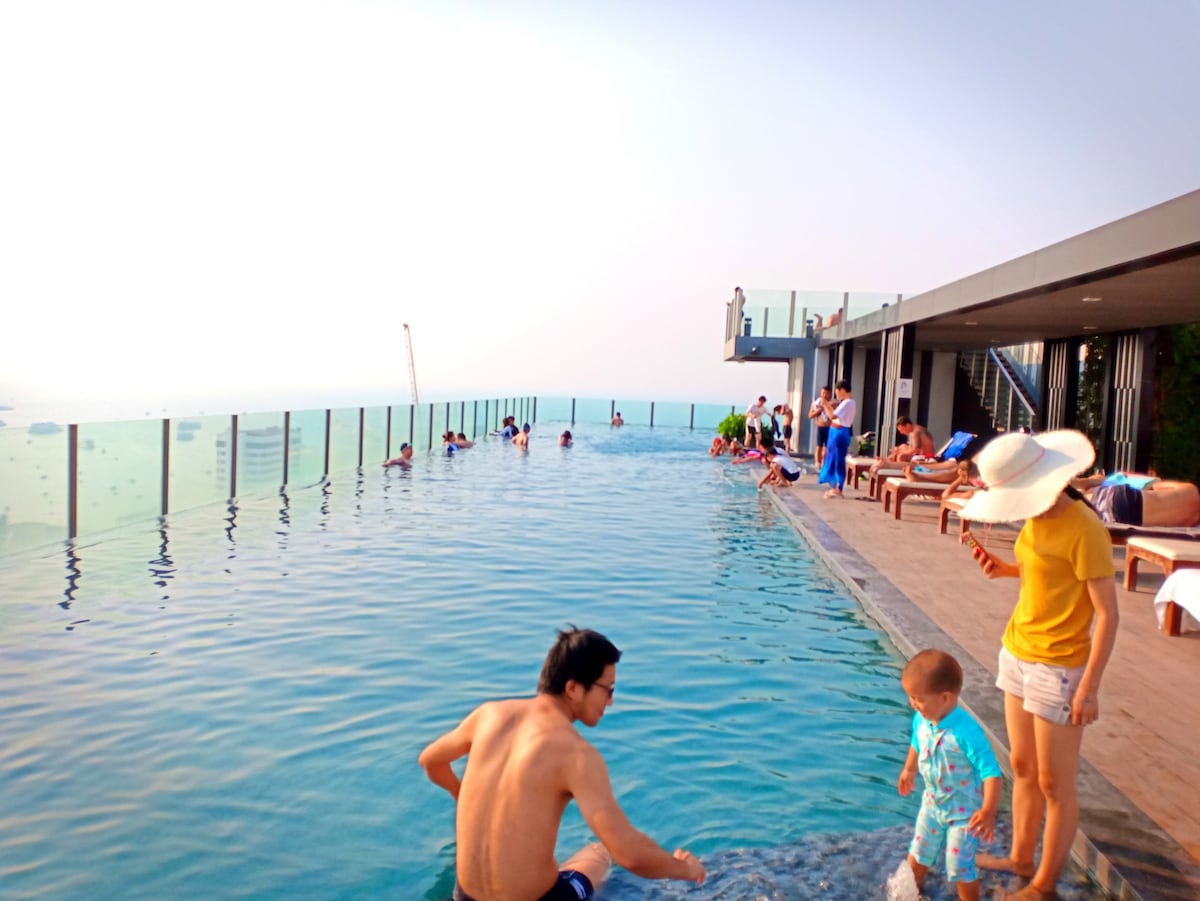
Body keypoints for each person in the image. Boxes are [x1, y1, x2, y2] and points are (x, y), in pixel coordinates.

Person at [417, 628, 706, 901]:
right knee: (600, 852)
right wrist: (684, 869)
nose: (611, 701)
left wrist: (462, 796)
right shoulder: (576, 754)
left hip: (464, 895)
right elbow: (629, 853)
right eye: (608, 689)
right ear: (573, 688)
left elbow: (430, 761)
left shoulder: (488, 715)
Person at [959, 430, 1119, 901]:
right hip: (1018, 650)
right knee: (1022, 766)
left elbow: (1108, 615)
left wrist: (1089, 688)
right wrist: (1006, 569)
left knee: (1054, 783)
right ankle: (1020, 858)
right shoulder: (1036, 516)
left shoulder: (1085, 528)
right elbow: (1043, 569)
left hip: (1060, 665)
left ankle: (1043, 885)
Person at [897, 650, 1003, 901]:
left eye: (918, 699)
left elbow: (991, 772)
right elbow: (917, 741)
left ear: (944, 698)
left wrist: (988, 811)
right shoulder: (922, 719)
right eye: (911, 697)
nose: (913, 704)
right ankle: (909, 894)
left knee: (959, 867)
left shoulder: (966, 732)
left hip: (964, 814)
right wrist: (909, 769)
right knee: (918, 852)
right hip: (932, 803)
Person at [817, 381, 856, 498]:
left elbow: (832, 416)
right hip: (836, 432)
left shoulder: (848, 402)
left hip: (839, 433)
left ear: (842, 390)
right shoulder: (847, 402)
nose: (837, 395)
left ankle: (838, 488)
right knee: (832, 459)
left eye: (837, 392)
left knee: (837, 460)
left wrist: (825, 405)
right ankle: (835, 487)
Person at [869, 417, 936, 477]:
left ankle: (900, 474)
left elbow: (916, 450)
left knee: (901, 456)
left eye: (902, 430)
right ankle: (888, 459)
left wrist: (900, 452)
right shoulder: (914, 430)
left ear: (907, 425)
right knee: (902, 446)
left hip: (927, 457)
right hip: (921, 455)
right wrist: (899, 450)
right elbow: (912, 448)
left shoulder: (916, 432)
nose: (901, 433)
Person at [808, 387, 832, 468]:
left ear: (830, 394)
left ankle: (824, 462)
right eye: (823, 393)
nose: (824, 395)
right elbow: (810, 415)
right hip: (820, 427)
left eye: (826, 393)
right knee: (819, 446)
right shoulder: (816, 404)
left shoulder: (832, 403)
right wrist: (818, 411)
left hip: (829, 427)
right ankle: (817, 462)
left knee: (827, 447)